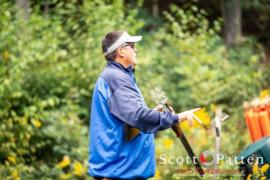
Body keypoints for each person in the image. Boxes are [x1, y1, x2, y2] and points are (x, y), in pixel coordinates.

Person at [88, 31, 200, 179]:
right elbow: (139, 117)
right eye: (132, 45)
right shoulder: (117, 79)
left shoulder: (118, 77)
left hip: (120, 172)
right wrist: (176, 117)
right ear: (120, 51)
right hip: (117, 173)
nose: (136, 49)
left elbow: (129, 121)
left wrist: (153, 115)